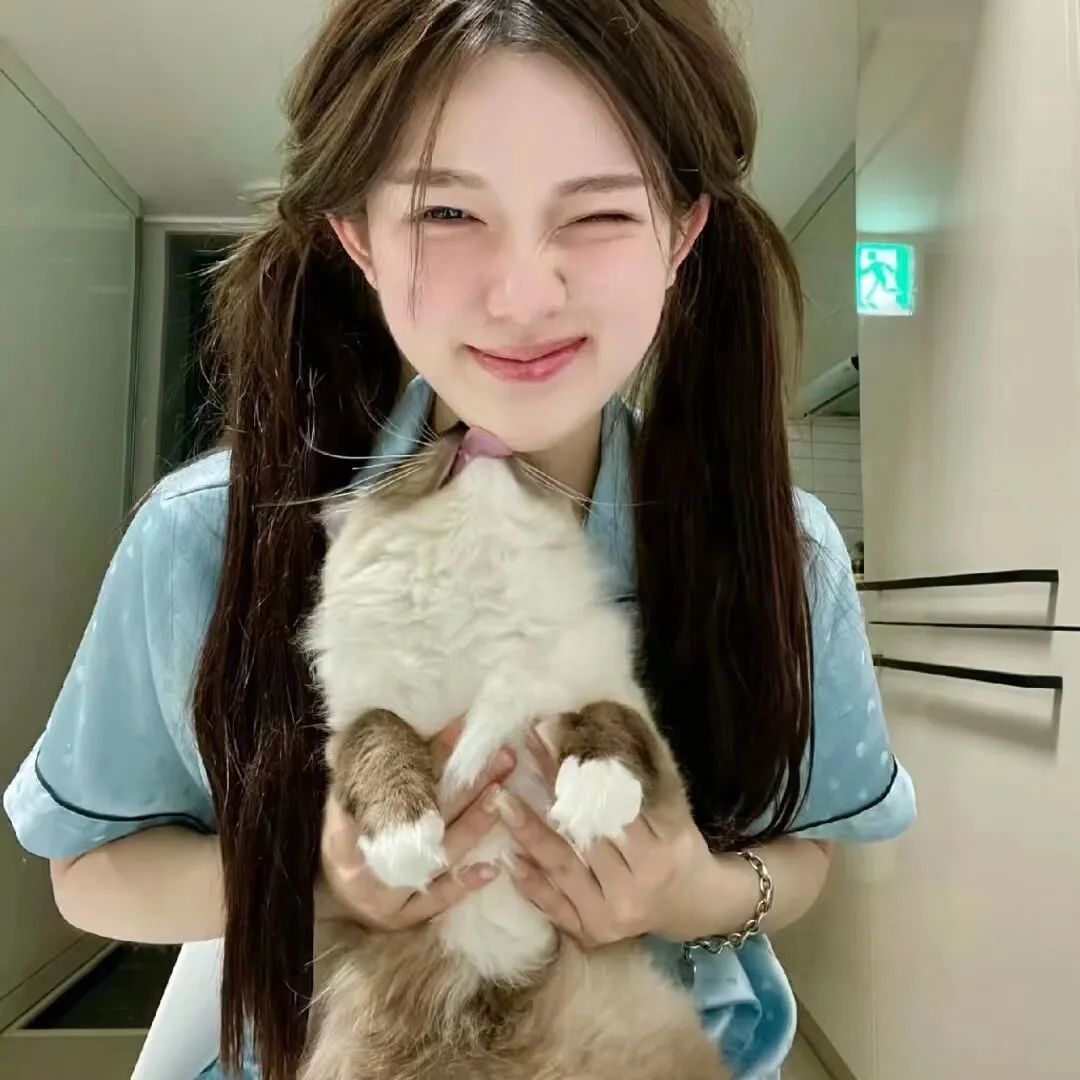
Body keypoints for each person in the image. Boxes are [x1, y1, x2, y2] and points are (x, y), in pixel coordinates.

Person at [3, 2, 916, 1078]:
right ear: (359, 235)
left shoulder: (785, 552)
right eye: (446, 211)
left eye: (600, 213)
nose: (524, 294)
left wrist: (696, 892)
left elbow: (806, 850)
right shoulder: (208, 535)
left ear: (681, 234)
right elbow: (90, 872)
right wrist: (314, 880)